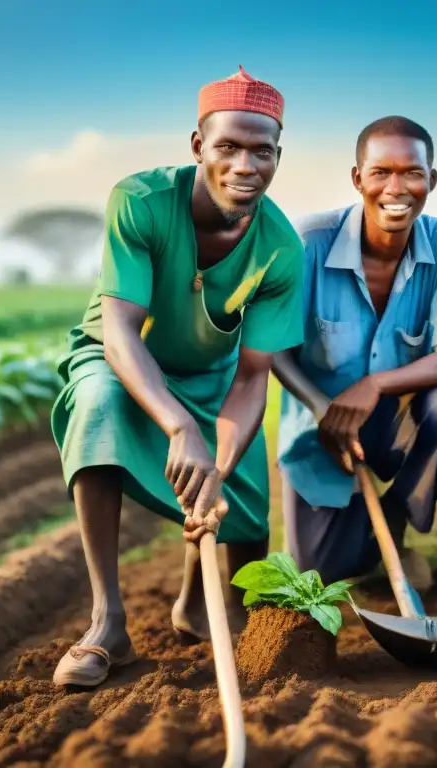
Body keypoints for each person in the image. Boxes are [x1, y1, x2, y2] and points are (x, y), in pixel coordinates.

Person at [49, 66, 304, 687]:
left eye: (261, 152)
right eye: (228, 147)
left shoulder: (281, 249)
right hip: (121, 358)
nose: (245, 165)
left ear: (278, 157)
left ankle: (196, 600)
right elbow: (119, 334)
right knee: (101, 407)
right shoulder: (139, 201)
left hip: (213, 374)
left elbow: (251, 380)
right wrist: (178, 425)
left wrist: (216, 458)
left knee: (243, 511)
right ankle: (107, 621)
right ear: (198, 146)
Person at [272, 116, 437, 591]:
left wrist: (375, 385)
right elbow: (277, 352)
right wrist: (323, 408)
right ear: (357, 179)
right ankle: (365, 540)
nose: (397, 188)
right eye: (380, 172)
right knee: (325, 570)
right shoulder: (309, 241)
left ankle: (395, 522)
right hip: (321, 424)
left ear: (431, 179)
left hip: (401, 420)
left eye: (412, 172)